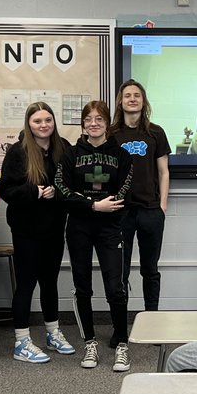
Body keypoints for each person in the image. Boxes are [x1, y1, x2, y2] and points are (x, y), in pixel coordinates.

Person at [55, 101, 134, 372]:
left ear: (107, 123)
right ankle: (90, 343)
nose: (93, 124)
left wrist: (105, 206)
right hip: (79, 227)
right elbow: (62, 188)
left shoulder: (122, 155)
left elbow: (125, 188)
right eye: (88, 119)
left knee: (115, 287)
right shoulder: (71, 153)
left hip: (110, 227)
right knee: (83, 287)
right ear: (83, 124)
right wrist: (92, 205)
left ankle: (122, 344)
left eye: (99, 119)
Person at [0, 101, 74, 364]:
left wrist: (58, 193)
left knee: (50, 283)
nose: (43, 125)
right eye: (37, 121)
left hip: (54, 227)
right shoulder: (18, 152)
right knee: (27, 284)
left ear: (54, 123)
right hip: (26, 229)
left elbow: (72, 183)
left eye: (48, 120)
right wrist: (36, 192)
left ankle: (53, 333)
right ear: (29, 124)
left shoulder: (63, 148)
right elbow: (6, 190)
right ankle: (21, 341)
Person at [111, 79, 171, 312]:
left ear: (143, 100)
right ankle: (121, 328)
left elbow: (164, 171)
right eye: (127, 95)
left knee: (150, 270)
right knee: (120, 271)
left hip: (150, 211)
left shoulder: (155, 132)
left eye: (137, 95)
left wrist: (162, 206)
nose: (132, 99)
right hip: (120, 212)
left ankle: (152, 320)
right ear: (121, 101)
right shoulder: (112, 133)